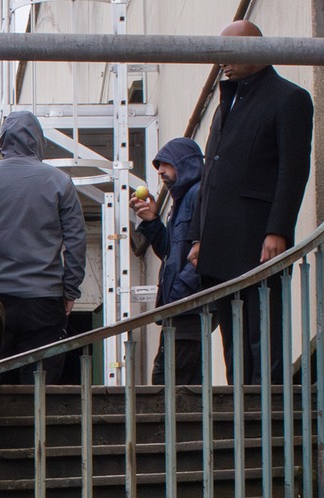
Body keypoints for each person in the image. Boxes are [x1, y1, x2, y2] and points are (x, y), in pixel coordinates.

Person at [191, 20, 314, 384]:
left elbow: (293, 170)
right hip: (220, 239)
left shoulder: (288, 98)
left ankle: (270, 413)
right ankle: (241, 411)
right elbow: (209, 175)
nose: (222, 63)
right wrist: (199, 236)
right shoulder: (227, 102)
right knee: (233, 338)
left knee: (264, 334)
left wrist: (278, 229)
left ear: (256, 50)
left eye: (229, 54)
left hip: (257, 235)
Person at [0, 110, 87, 381]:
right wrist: (70, 290)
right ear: (38, 141)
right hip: (44, 299)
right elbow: (76, 240)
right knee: (40, 385)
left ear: (2, 140)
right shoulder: (59, 182)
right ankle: (36, 424)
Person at [133, 137, 208, 385]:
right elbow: (171, 252)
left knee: (170, 381)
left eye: (166, 164)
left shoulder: (198, 194)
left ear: (184, 164)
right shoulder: (181, 202)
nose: (161, 172)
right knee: (172, 379)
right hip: (179, 307)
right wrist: (153, 221)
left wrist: (178, 291)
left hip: (188, 306)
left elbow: (206, 250)